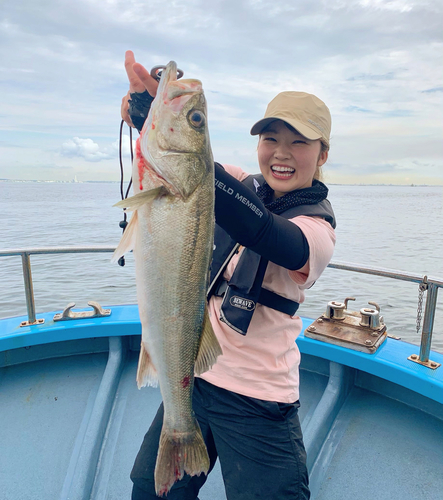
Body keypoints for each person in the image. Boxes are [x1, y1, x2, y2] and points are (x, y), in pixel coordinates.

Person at [121, 51, 336, 500]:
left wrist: (188, 146)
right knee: (151, 491)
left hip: (260, 399)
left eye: (299, 143)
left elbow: (261, 228)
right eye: (271, 138)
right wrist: (150, 115)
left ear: (322, 155)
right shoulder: (238, 181)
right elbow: (195, 177)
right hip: (194, 378)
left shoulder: (317, 231)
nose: (281, 153)